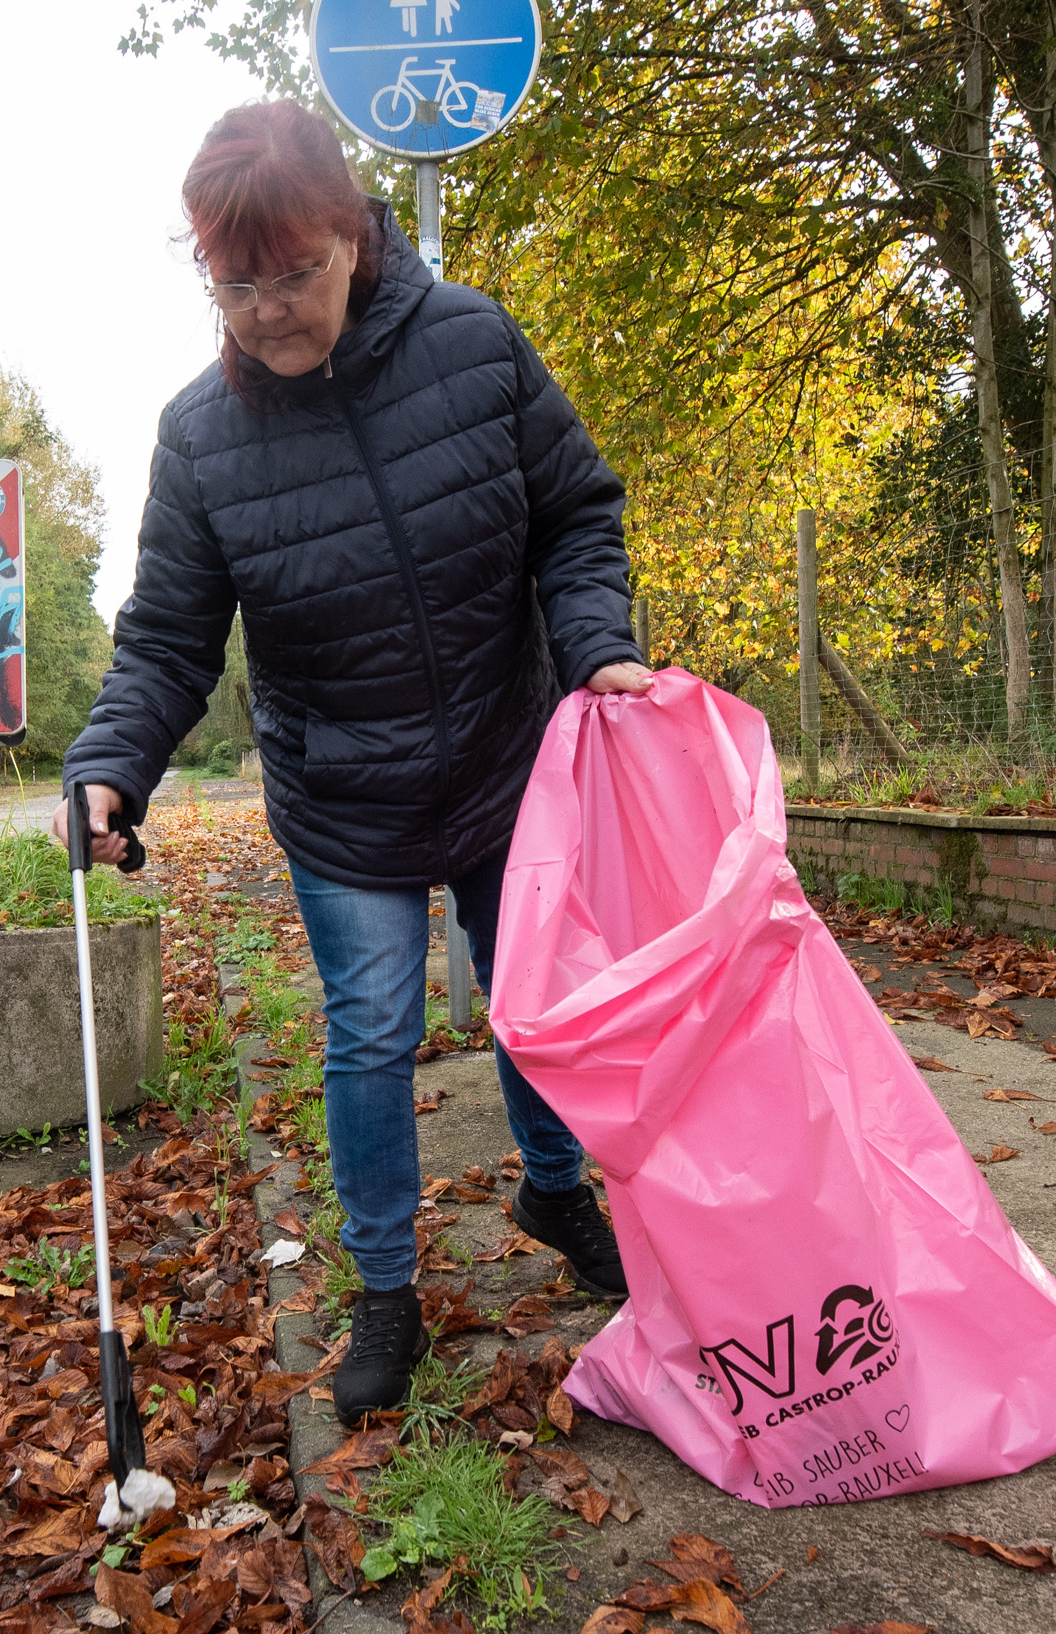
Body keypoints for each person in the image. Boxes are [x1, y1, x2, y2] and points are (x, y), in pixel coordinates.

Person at [56, 102, 649, 1423]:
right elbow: (164, 637)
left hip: (508, 751)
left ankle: (552, 1190)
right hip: (340, 789)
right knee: (371, 1028)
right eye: (232, 281)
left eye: (292, 272)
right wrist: (111, 766)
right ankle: (385, 1290)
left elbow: (572, 512)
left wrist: (597, 644)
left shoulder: (472, 341)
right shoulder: (199, 436)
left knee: (535, 1003)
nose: (264, 309)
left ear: (352, 234)